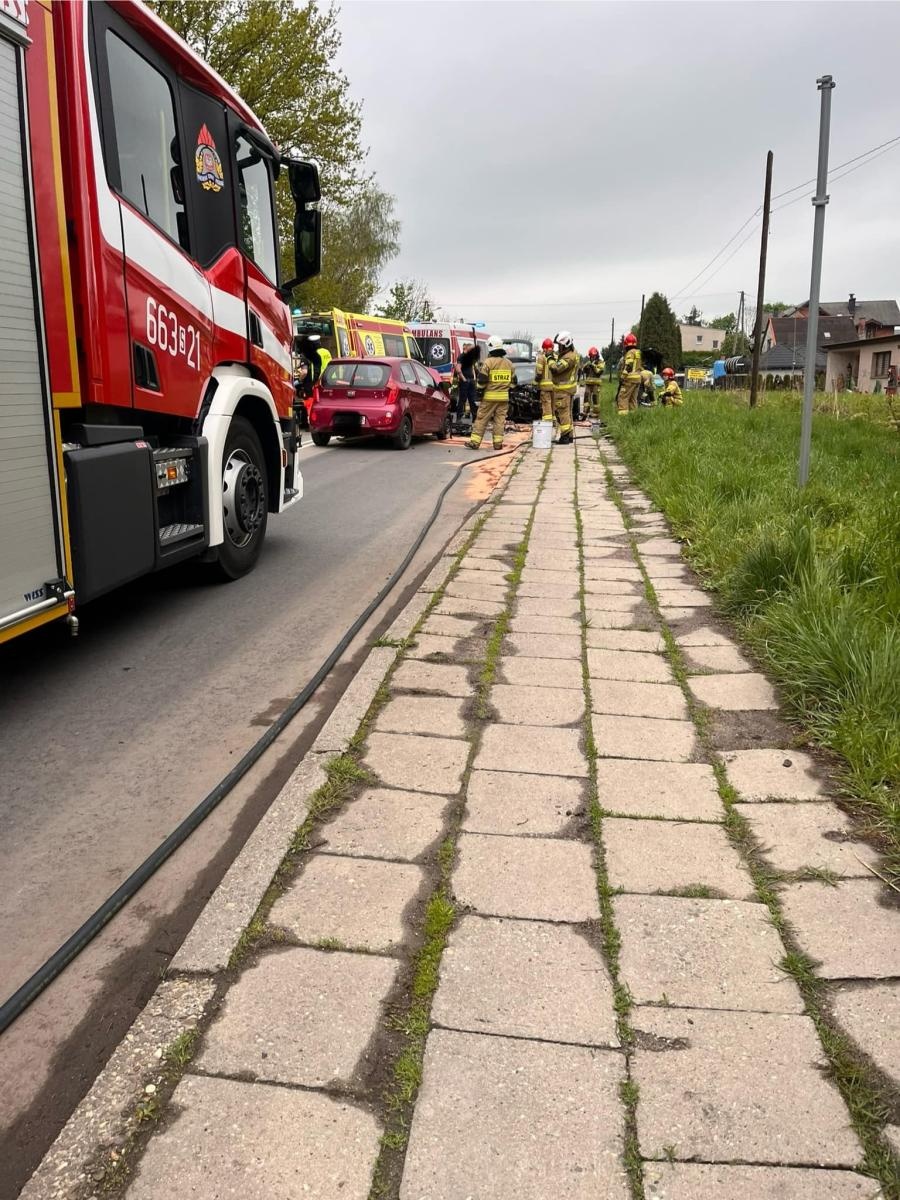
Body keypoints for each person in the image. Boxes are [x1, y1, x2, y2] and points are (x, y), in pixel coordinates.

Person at [468, 336, 517, 450]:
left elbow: (482, 381)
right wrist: (507, 390)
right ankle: (498, 444)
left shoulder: (488, 362)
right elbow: (514, 383)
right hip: (503, 399)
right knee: (499, 421)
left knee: (482, 419)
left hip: (489, 398)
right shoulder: (509, 363)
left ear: (491, 347)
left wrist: (479, 392)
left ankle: (475, 442)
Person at [549, 331, 579, 443]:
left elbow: (556, 369)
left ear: (566, 345)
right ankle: (569, 435)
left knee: (562, 413)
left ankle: (565, 436)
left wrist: (549, 358)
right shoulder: (571, 354)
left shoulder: (568, 357)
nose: (559, 348)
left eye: (560, 346)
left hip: (563, 390)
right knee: (567, 412)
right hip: (567, 389)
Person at [454, 340, 480, 421]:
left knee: (473, 400)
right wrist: (464, 379)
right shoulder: (461, 357)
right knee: (462, 400)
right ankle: (459, 418)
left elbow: (473, 368)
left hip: (471, 381)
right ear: (467, 348)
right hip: (465, 381)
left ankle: (475, 418)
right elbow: (458, 369)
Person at [617, 331, 642, 414]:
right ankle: (633, 416)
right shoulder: (638, 352)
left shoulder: (630, 352)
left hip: (630, 379)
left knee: (622, 397)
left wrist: (622, 377)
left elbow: (629, 365)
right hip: (638, 379)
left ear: (626, 344)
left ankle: (623, 416)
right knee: (633, 399)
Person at [534, 337, 557, 428]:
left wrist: (535, 382)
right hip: (555, 386)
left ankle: (547, 424)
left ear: (544, 348)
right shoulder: (556, 357)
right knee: (553, 405)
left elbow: (539, 373)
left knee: (546, 405)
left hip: (545, 387)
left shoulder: (541, 357)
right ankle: (554, 421)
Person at [582, 346, 605, 418]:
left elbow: (599, 372)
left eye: (594, 356)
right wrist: (585, 367)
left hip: (596, 384)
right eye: (591, 356)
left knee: (595, 398)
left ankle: (596, 413)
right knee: (586, 396)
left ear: (597, 355)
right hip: (588, 383)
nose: (592, 358)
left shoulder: (600, 362)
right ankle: (585, 411)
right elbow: (584, 371)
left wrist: (593, 366)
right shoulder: (589, 362)